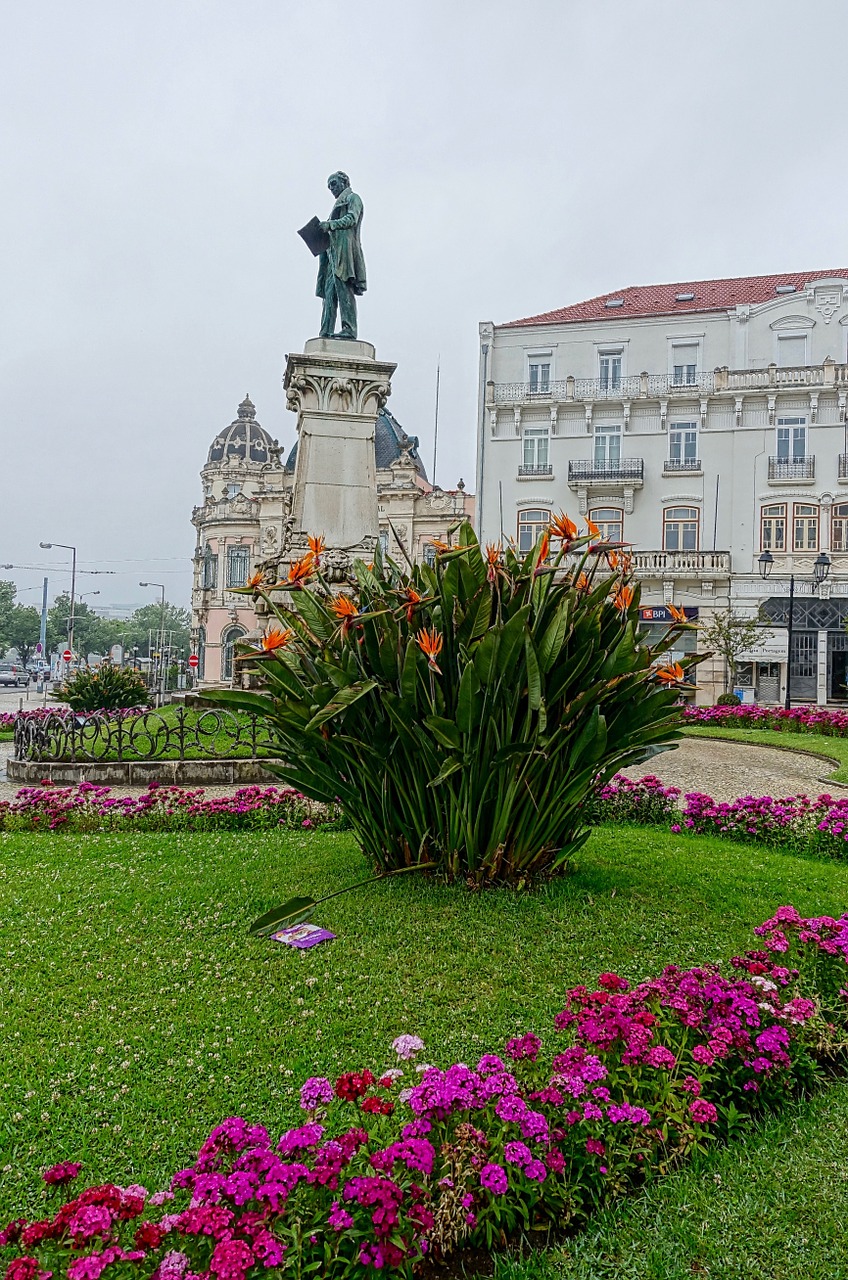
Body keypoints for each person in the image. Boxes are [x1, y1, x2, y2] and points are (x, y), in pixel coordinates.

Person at [317, 171, 366, 340]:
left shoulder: (353, 198)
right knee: (329, 293)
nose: (331, 188)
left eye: (334, 183)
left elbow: (351, 218)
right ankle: (325, 330)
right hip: (331, 254)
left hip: (345, 252)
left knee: (344, 289)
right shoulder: (338, 204)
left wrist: (330, 224)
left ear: (344, 182)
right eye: (329, 186)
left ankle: (349, 329)